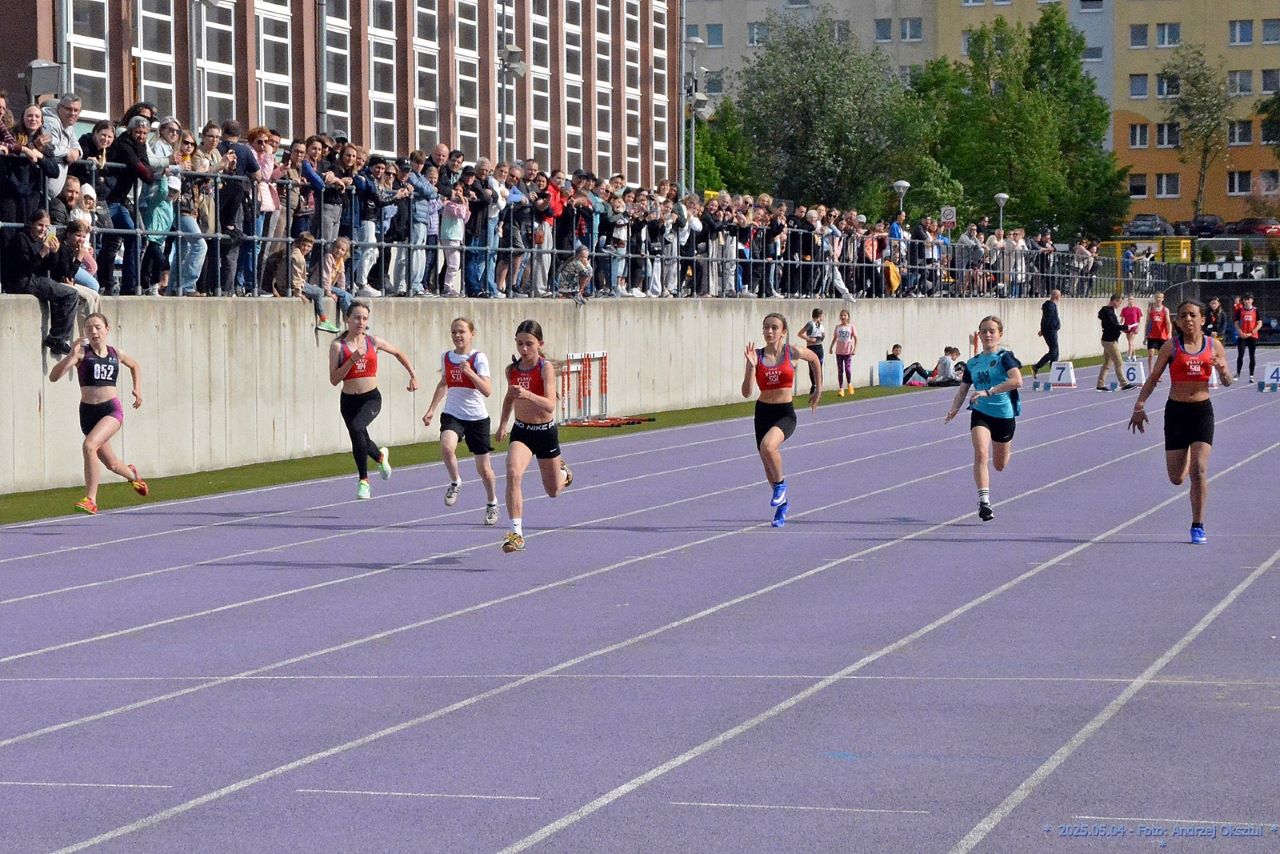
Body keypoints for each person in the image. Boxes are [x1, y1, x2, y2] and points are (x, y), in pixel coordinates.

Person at [1128, 300, 1233, 545]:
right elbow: (1153, 379)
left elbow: (1228, 381)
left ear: (1202, 319)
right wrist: (1139, 405)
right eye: (1183, 315)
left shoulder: (1213, 345)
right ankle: (1186, 456)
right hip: (1176, 412)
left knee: (1199, 470)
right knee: (1176, 478)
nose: (1188, 319)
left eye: (1193, 315)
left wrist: (1222, 370)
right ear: (1177, 321)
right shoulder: (1171, 346)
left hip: (1202, 412)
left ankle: (1198, 525)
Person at [47, 313, 149, 515]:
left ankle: (91, 500)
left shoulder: (115, 353)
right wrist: (70, 355)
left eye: (97, 327)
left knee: (89, 446)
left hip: (111, 410)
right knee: (111, 463)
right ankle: (133, 475)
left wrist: (138, 389)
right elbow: (53, 377)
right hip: (88, 414)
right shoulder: (81, 355)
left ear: (107, 330)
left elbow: (135, 365)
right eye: (88, 328)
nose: (93, 331)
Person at [495, 320, 574, 553]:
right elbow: (509, 398)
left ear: (540, 343)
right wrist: (502, 425)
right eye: (519, 344)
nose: (524, 349)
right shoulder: (513, 370)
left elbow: (550, 405)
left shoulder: (544, 368)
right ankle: (516, 534)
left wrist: (528, 394)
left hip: (545, 432)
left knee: (553, 491)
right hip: (522, 432)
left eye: (529, 344)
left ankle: (562, 473)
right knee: (512, 472)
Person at [327, 301, 419, 499]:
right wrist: (352, 359)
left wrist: (412, 374)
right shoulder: (338, 346)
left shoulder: (373, 342)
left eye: (364, 318)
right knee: (358, 436)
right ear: (347, 319)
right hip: (349, 401)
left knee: (358, 428)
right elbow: (334, 380)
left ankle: (364, 481)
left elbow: (398, 353)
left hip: (371, 399)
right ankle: (379, 456)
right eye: (357, 318)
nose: (361, 322)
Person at [741, 312, 822, 528]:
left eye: (774, 327)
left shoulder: (792, 352)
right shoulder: (756, 356)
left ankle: (780, 487)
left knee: (769, 446)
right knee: (767, 465)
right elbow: (746, 392)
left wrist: (817, 389)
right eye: (766, 327)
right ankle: (782, 505)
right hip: (763, 412)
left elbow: (814, 359)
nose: (769, 331)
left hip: (785, 413)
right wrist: (750, 367)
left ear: (783, 331)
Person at [421, 317, 500, 526]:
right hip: (453, 413)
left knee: (484, 469)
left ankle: (492, 502)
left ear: (471, 334)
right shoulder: (446, 357)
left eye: (462, 331)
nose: (457, 335)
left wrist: (470, 373)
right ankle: (455, 481)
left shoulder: (478, 358)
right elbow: (444, 383)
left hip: (476, 418)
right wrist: (431, 410)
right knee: (447, 447)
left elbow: (487, 391)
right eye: (454, 332)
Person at [945, 314, 1023, 521]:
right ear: (978, 335)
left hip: (1004, 414)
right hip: (980, 412)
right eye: (984, 331)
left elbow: (1017, 381)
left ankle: (1006, 446)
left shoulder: (1005, 358)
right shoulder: (973, 363)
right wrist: (954, 409)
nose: (988, 335)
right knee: (980, 452)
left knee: (999, 465)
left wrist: (989, 391)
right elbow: (963, 390)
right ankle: (984, 502)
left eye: (992, 331)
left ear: (1000, 334)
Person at [1096, 293, 1135, 392]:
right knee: (1119, 362)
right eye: (1119, 303)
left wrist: (1120, 328)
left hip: (1108, 339)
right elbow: (1113, 325)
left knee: (1107, 364)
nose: (1119, 305)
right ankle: (1124, 383)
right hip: (1110, 341)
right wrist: (1125, 327)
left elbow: (1112, 325)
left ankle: (1100, 384)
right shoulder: (1108, 312)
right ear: (1114, 301)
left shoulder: (1108, 311)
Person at [1031, 289, 1061, 379]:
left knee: (1055, 352)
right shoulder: (1050, 306)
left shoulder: (1051, 305)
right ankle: (1036, 366)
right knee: (1053, 352)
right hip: (1050, 331)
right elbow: (1047, 320)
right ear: (1057, 296)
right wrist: (1043, 330)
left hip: (1051, 330)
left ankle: (1054, 373)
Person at [1234, 292, 1260, 382]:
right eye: (1245, 299)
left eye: (1248, 299)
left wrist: (1252, 332)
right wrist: (1240, 332)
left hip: (1252, 336)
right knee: (1240, 355)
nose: (1247, 301)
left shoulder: (1256, 310)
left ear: (1252, 300)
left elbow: (1259, 323)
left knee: (1252, 356)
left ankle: (1251, 375)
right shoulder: (1240, 311)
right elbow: (1236, 323)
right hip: (1242, 336)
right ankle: (1237, 374)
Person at [832, 308, 858, 397]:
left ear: (848, 317)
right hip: (839, 352)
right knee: (840, 370)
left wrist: (854, 349)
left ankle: (849, 384)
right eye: (841, 315)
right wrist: (831, 347)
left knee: (847, 369)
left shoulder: (851, 327)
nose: (843, 317)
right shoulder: (838, 327)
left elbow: (855, 338)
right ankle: (841, 389)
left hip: (848, 352)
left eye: (845, 315)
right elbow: (835, 338)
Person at [800, 308, 826, 396]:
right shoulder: (810, 324)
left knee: (819, 368)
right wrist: (809, 339)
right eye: (822, 315)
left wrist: (823, 336)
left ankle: (819, 389)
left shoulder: (821, 325)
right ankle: (814, 386)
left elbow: (822, 337)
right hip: (811, 348)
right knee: (812, 368)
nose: (823, 317)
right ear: (819, 315)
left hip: (819, 347)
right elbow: (800, 333)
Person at [1145, 292, 1171, 376]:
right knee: (1151, 354)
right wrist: (1145, 336)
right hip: (1152, 335)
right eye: (1157, 297)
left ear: (1163, 299)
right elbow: (1147, 322)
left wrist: (1169, 333)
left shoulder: (1165, 310)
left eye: (1160, 297)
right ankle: (1151, 372)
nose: (1158, 299)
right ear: (1155, 298)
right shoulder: (1150, 309)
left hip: (1162, 335)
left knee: (1161, 356)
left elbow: (1168, 322)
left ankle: (1158, 372)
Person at [1120, 295, 1144, 360]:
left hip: (1134, 326)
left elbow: (1139, 320)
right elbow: (1122, 319)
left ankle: (1129, 356)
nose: (1130, 300)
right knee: (1131, 343)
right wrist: (1120, 326)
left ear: (1134, 300)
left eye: (1131, 299)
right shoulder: (1124, 309)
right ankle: (1134, 356)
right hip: (1127, 326)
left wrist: (1138, 327)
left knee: (1130, 342)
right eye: (1129, 299)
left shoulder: (1137, 309)